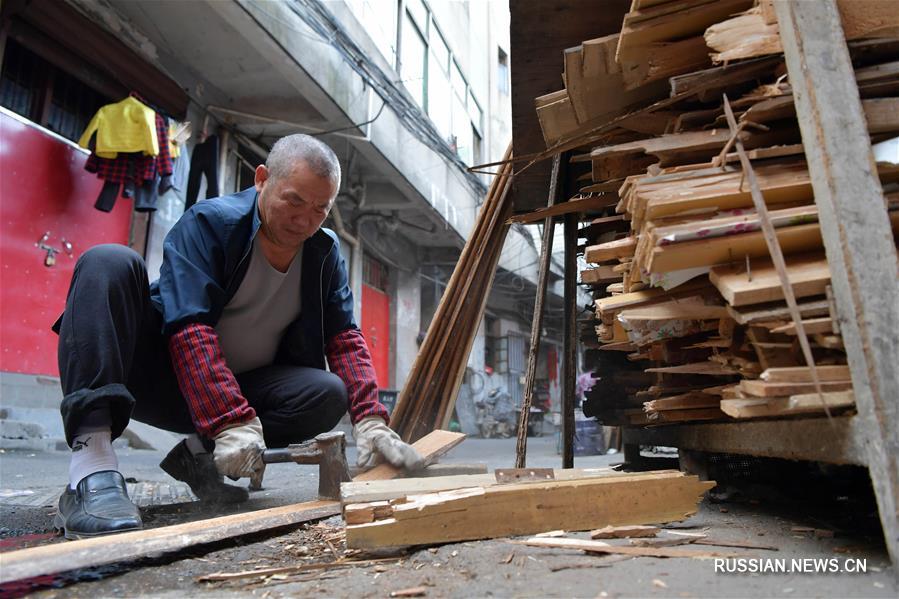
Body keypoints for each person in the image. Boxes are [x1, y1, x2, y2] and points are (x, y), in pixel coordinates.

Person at [53, 134, 423, 539]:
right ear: (262, 179)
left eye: (321, 208)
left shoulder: (323, 252)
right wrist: (231, 421)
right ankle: (90, 470)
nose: (305, 220)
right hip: (159, 379)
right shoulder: (210, 223)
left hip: (238, 393)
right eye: (294, 201)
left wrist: (370, 419)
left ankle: (199, 459)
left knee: (327, 392)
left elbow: (344, 337)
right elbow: (188, 327)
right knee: (108, 261)